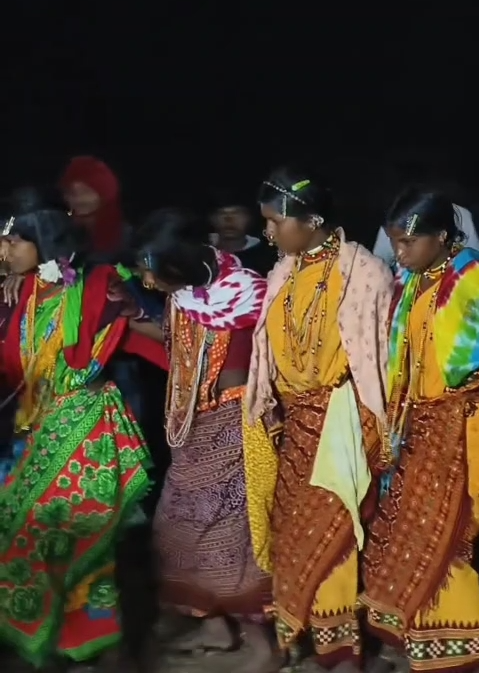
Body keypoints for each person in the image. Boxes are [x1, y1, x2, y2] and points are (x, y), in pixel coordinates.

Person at [359, 185, 479, 673]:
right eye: (395, 243)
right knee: (413, 538)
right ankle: (426, 646)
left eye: (409, 242)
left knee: (454, 544)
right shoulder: (414, 283)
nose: (399, 253)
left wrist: (460, 386)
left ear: (444, 236)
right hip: (421, 427)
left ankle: (470, 658)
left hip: (468, 424)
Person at [0, 186, 165, 669]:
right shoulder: (21, 289)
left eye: (12, 241)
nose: (3, 251)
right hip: (30, 433)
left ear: (45, 239)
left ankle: (95, 649)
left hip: (82, 428)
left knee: (79, 550)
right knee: (32, 541)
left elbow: (159, 337)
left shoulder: (99, 285)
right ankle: (49, 643)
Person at [242, 167, 394, 672]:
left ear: (313, 221)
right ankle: (297, 631)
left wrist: (376, 423)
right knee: (292, 530)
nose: (267, 233)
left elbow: (375, 357)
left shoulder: (364, 271)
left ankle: (339, 649)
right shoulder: (282, 271)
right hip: (293, 421)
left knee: (335, 528)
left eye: (274, 222)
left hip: (339, 418)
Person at [131, 209, 277, 671]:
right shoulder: (187, 296)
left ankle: (261, 645)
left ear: (180, 261)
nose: (150, 283)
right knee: (177, 532)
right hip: (191, 429)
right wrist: (128, 315)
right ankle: (214, 627)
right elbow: (176, 351)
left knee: (236, 538)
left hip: (236, 425)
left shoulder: (248, 293)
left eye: (155, 272)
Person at [371, 178, 479, 269]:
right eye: (391, 240)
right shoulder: (404, 276)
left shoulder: (472, 279)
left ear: (441, 236)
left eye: (409, 242)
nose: (398, 254)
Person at [59, 155, 128, 257]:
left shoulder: (126, 237)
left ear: (105, 194)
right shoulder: (61, 233)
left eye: (86, 192)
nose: (79, 200)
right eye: (72, 193)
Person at [209, 192, 278, 275]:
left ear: (249, 218)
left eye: (237, 213)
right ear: (212, 218)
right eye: (221, 213)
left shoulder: (269, 257)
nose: (228, 219)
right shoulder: (203, 254)